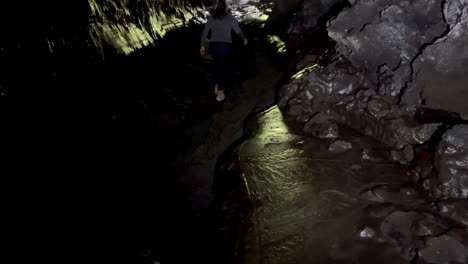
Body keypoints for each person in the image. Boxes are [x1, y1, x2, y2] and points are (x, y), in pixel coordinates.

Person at [200, 0, 248, 102]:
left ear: (217, 7)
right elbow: (237, 30)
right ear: (225, 8)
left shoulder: (212, 17)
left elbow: (205, 32)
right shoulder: (229, 17)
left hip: (214, 45)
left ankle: (218, 84)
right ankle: (220, 91)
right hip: (225, 45)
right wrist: (244, 38)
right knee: (222, 66)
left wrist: (202, 45)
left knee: (218, 65)